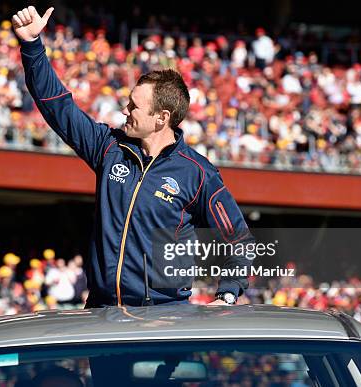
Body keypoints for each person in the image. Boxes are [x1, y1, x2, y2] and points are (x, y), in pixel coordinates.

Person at [13, 7, 253, 307]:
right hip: (102, 310)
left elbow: (240, 241)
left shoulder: (198, 174)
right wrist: (32, 46)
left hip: (164, 317)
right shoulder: (109, 147)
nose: (124, 110)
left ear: (161, 117)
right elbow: (58, 107)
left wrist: (226, 295)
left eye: (133, 106)